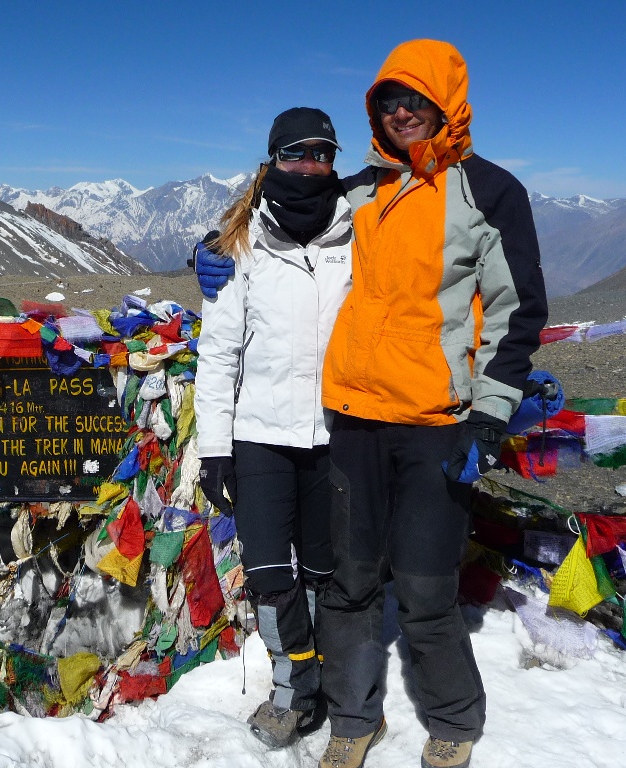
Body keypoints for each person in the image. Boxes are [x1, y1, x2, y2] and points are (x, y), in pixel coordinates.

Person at [314, 40, 548, 768]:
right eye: (390, 100)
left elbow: (519, 309)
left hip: (437, 424)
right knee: (349, 579)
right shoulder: (357, 189)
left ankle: (454, 718)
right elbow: (278, 220)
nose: (403, 112)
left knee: (423, 584)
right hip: (353, 416)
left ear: (448, 104)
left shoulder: (490, 190)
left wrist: (492, 409)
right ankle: (354, 716)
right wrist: (212, 248)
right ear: (375, 110)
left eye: (418, 100)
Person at [194, 107, 353, 749]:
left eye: (322, 153)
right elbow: (220, 351)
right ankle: (292, 688)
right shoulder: (241, 245)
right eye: (296, 153)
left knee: (323, 569)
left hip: (337, 435)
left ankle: (325, 678)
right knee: (267, 571)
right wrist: (214, 450)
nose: (310, 165)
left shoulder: (358, 235)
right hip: (259, 436)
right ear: (273, 160)